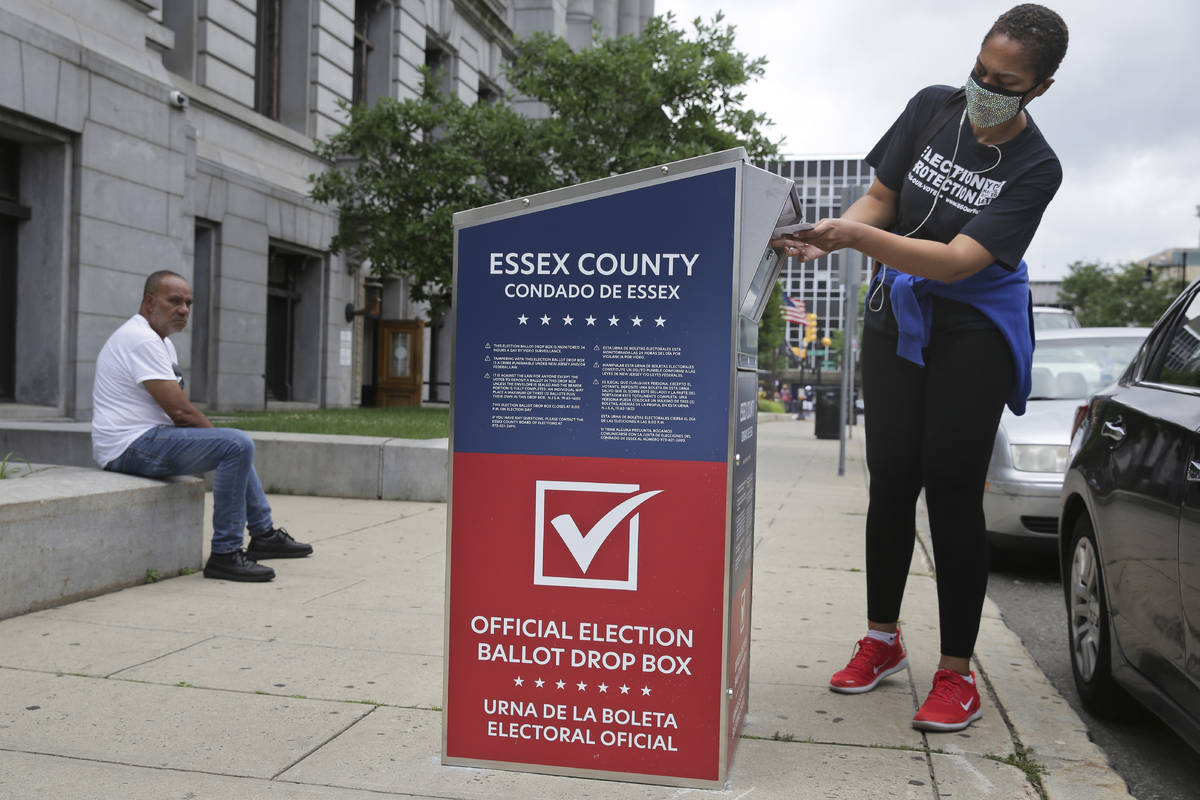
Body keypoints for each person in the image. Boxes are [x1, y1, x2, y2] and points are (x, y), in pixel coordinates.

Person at [771, 4, 1067, 732]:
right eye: (980, 70)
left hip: (973, 327)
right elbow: (881, 199)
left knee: (952, 490)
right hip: (895, 314)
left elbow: (959, 262)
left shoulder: (1037, 167)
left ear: (1041, 88)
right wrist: (829, 234)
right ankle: (882, 641)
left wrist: (853, 241)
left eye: (1006, 82)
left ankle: (956, 672)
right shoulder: (933, 108)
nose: (985, 88)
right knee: (892, 481)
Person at [91, 270, 313, 582]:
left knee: (234, 444)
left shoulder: (161, 342)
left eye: (188, 303)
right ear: (149, 302)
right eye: (174, 301)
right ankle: (225, 554)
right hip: (127, 447)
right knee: (234, 444)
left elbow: (177, 412)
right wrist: (219, 439)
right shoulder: (140, 339)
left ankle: (263, 534)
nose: (183, 309)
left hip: (150, 437)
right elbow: (180, 411)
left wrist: (218, 439)